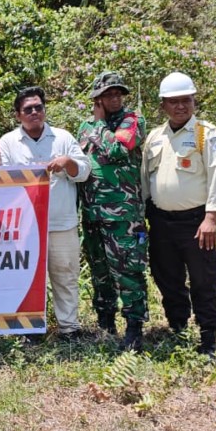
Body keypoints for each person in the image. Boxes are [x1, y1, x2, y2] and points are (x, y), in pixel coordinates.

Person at [141, 72, 216, 358]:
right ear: (163, 105)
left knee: (204, 279)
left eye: (186, 100)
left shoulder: (206, 134)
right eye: (174, 101)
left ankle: (207, 339)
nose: (181, 106)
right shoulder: (155, 137)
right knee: (167, 277)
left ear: (194, 101)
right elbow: (145, 181)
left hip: (196, 223)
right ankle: (178, 328)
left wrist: (211, 218)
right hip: (160, 221)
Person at [0, 86, 90, 341]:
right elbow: (3, 180)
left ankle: (69, 328)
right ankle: (30, 330)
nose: (34, 112)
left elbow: (84, 171)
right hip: (24, 227)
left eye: (39, 107)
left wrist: (67, 162)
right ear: (18, 115)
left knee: (65, 275)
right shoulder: (8, 142)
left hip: (62, 223)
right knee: (26, 279)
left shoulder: (62, 138)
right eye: (28, 109)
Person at [77, 71, 150, 352]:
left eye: (118, 92)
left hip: (124, 217)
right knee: (100, 272)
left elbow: (118, 149)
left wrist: (98, 124)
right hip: (92, 214)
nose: (116, 97)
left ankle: (134, 327)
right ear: (97, 99)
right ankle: (105, 323)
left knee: (129, 272)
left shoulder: (132, 121)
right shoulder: (84, 127)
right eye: (109, 94)